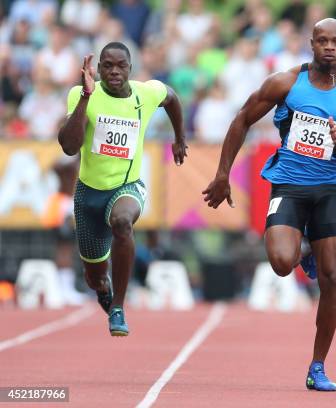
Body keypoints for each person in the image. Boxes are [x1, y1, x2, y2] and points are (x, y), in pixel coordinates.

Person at [203, 18, 336, 391]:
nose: (329, 47)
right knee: (282, 263)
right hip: (289, 186)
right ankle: (306, 251)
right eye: (323, 41)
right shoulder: (285, 83)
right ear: (311, 43)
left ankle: (318, 366)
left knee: (333, 279)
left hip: (330, 190)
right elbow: (242, 119)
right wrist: (222, 174)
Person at [57, 42, 188, 336]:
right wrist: (86, 98)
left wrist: (180, 137)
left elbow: (173, 98)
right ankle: (104, 289)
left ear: (131, 68)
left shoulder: (146, 92)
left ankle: (118, 306)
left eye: (121, 66)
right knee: (94, 277)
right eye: (108, 66)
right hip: (88, 193)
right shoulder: (80, 94)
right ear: (98, 69)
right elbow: (68, 147)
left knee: (122, 222)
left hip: (127, 187)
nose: (114, 72)